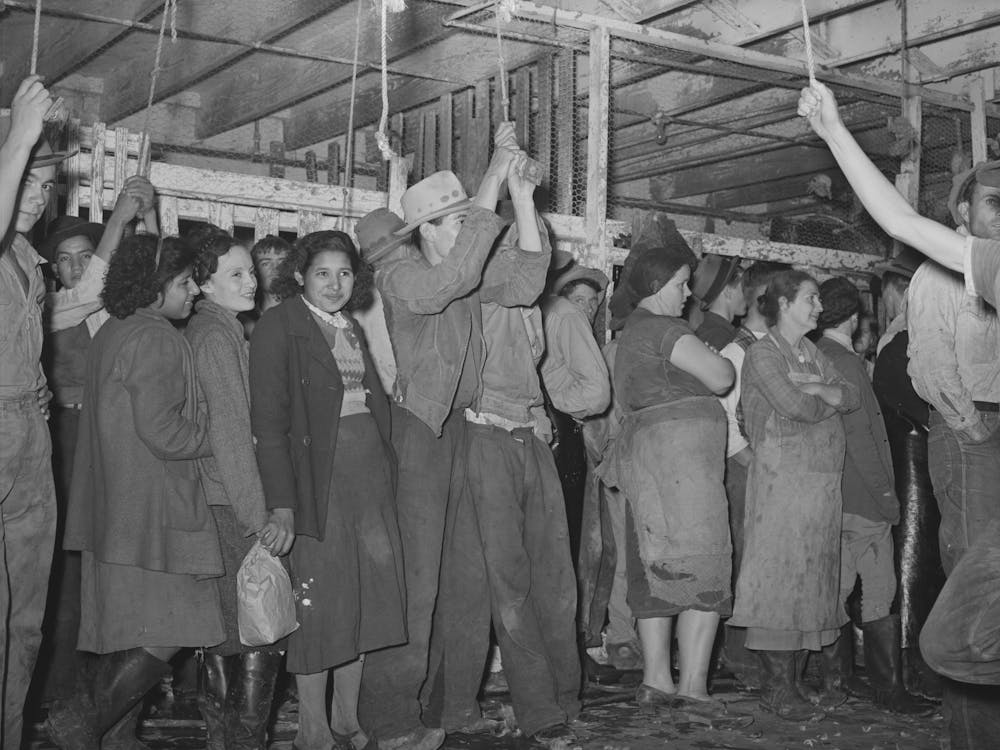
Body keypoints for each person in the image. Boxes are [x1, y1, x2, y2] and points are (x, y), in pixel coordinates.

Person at [798, 79, 1000, 750]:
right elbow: (905, 226)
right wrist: (832, 131)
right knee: (960, 627)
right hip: (974, 430)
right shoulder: (967, 268)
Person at [356, 129, 515, 750]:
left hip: (463, 429)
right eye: (452, 220)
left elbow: (528, 280)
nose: (467, 229)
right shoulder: (403, 276)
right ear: (421, 232)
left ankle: (451, 707)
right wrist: (493, 175)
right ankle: (391, 719)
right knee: (415, 583)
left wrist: (521, 202)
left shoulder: (459, 268)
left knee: (468, 579)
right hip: (418, 431)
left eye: (463, 219)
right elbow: (445, 285)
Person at [46, 234, 224, 750]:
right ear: (154, 285)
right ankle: (77, 721)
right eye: (185, 281)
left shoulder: (114, 331)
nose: (195, 291)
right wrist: (227, 440)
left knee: (124, 634)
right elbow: (166, 432)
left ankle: (113, 739)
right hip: (154, 514)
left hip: (116, 514)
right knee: (174, 627)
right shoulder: (158, 338)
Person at [431, 153, 584, 745]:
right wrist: (502, 184)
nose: (525, 249)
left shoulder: (519, 298)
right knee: (510, 586)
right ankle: (541, 708)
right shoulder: (463, 285)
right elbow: (521, 267)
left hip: (526, 439)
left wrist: (523, 193)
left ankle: (468, 706)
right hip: (483, 439)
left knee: (551, 578)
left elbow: (531, 271)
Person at [250, 231, 406, 750]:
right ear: (299, 275)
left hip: (368, 479)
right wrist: (283, 505)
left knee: (363, 599)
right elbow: (269, 427)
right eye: (322, 273)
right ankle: (311, 729)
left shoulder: (351, 327)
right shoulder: (279, 326)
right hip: (320, 481)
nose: (335, 284)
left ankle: (347, 720)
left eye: (344, 273)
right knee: (320, 605)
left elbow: (375, 405)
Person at [599, 231, 737, 722]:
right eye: (681, 283)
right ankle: (693, 688)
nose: (688, 294)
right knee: (704, 563)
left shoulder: (633, 332)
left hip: (651, 465)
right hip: (681, 468)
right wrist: (714, 359)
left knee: (652, 565)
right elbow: (722, 377)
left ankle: (656, 681)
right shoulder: (661, 329)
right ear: (658, 283)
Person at [36, 178, 156, 731]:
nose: (76, 269)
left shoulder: (110, 314)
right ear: (51, 270)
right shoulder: (47, 307)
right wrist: (115, 224)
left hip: (109, 446)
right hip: (59, 444)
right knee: (63, 576)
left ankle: (110, 712)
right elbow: (88, 293)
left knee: (110, 572)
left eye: (86, 257)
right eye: (64, 260)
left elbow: (153, 282)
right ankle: (60, 701)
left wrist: (146, 219)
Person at [729, 270, 859, 721]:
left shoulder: (811, 352)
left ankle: (796, 683)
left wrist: (821, 388)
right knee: (777, 582)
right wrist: (827, 397)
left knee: (812, 583)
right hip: (782, 487)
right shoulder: (763, 354)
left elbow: (853, 394)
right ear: (783, 303)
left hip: (821, 488)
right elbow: (795, 406)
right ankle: (778, 688)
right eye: (811, 298)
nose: (819, 307)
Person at [186, 224, 288, 750]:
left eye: (250, 271)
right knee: (256, 632)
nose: (252, 282)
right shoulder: (215, 337)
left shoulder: (221, 329)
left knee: (227, 633)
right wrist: (258, 518)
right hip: (231, 506)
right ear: (203, 284)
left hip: (224, 502)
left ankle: (226, 741)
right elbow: (230, 436)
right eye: (236, 274)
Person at [815, 277, 928, 714]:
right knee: (880, 588)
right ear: (855, 315)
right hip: (863, 496)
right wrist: (886, 496)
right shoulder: (845, 362)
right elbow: (861, 436)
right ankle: (888, 688)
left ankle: (836, 682)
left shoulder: (816, 354)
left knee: (837, 587)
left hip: (834, 495)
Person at [0, 73, 66, 750]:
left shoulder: (27, 259)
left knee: (26, 622)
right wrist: (20, 133)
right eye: (27, 176)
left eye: (48, 184)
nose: (38, 193)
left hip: (31, 437)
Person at [716, 260, 788, 687]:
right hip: (748, 472)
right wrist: (751, 463)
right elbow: (725, 418)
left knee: (769, 566)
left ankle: (766, 657)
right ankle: (741, 660)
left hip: (778, 475)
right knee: (746, 563)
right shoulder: (736, 351)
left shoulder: (782, 347)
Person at [540, 253, 611, 598]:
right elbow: (597, 393)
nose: (587, 308)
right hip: (558, 435)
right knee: (560, 540)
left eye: (593, 302)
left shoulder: (538, 311)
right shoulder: (566, 317)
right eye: (579, 299)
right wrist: (563, 407)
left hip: (536, 434)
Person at [691, 254, 746, 350]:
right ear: (728, 292)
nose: (748, 295)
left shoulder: (709, 328)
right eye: (744, 289)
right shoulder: (720, 336)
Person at [250, 234, 291, 314]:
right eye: (266, 263)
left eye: (282, 262)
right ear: (255, 271)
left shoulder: (304, 315)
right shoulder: (244, 318)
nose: (275, 268)